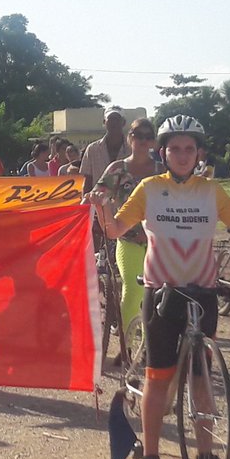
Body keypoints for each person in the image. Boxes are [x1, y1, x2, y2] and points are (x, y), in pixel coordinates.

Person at [88, 114, 230, 459]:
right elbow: (115, 229)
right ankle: (150, 458)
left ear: (199, 153)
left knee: (201, 382)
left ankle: (206, 458)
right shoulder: (149, 188)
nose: (182, 155)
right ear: (163, 152)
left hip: (202, 295)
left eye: (189, 149)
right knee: (158, 379)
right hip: (162, 293)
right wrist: (101, 208)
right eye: (175, 148)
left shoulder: (211, 190)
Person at [93, 118, 163, 338]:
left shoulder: (163, 170)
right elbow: (99, 195)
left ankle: (153, 343)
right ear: (129, 137)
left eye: (148, 136)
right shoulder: (117, 169)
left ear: (153, 142)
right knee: (132, 291)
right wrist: (96, 203)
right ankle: (126, 347)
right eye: (138, 135)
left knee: (159, 296)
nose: (143, 140)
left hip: (160, 243)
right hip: (128, 240)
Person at [81, 108, 131, 193]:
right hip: (98, 201)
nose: (114, 123)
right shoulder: (92, 149)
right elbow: (87, 181)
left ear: (123, 122)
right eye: (110, 119)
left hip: (127, 202)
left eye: (117, 119)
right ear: (104, 122)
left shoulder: (132, 149)